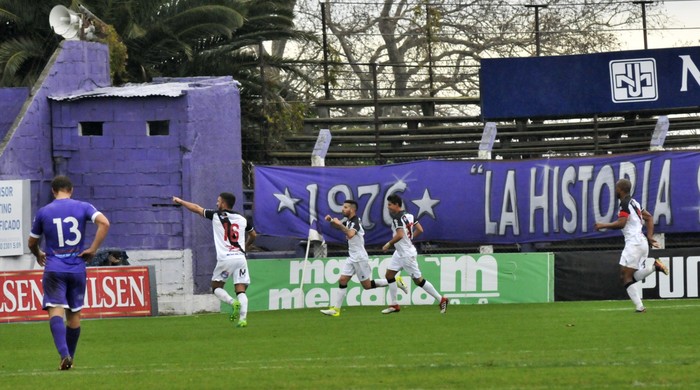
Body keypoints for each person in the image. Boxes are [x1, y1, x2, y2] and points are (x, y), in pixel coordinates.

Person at [28, 175, 110, 370]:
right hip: (77, 268)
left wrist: (38, 253)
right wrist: (93, 249)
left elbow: (32, 242)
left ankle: (64, 355)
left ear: (53, 191)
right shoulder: (84, 206)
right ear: (71, 190)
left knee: (55, 310)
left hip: (55, 268)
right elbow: (104, 223)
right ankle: (69, 358)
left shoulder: (44, 212)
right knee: (74, 315)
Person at [173, 193, 256, 327]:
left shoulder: (216, 215)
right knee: (241, 289)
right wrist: (246, 246)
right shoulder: (242, 219)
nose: (217, 204)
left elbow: (196, 208)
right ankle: (243, 320)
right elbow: (253, 235)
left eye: (218, 201)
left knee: (216, 288)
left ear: (223, 203)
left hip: (226, 259)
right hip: (240, 258)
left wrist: (180, 201)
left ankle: (232, 302)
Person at [594, 178, 668, 313]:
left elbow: (621, 223)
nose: (615, 190)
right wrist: (650, 236)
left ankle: (640, 305)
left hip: (634, 244)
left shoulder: (624, 203)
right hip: (640, 243)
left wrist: (603, 225)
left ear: (621, 189)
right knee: (626, 276)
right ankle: (654, 269)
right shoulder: (634, 203)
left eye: (616, 188)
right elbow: (649, 217)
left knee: (625, 277)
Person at [320, 199, 389, 317]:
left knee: (366, 286)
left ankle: (394, 281)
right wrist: (331, 221)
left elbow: (350, 234)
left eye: (345, 207)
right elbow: (341, 228)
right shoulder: (349, 222)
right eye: (343, 207)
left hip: (359, 258)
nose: (343, 209)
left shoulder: (356, 221)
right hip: (352, 257)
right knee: (342, 280)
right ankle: (336, 310)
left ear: (352, 209)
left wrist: (339, 224)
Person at [381, 194, 448, 314]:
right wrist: (410, 238)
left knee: (418, 281)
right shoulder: (410, 216)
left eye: (390, 204)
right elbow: (420, 229)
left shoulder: (397, 219)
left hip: (406, 254)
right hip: (400, 252)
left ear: (396, 205)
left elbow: (400, 235)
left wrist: (388, 244)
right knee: (389, 275)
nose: (388, 207)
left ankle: (441, 299)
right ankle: (394, 304)